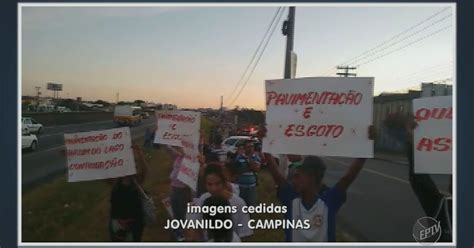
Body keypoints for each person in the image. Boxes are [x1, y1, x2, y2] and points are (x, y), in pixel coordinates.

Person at [262, 126, 374, 242]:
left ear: (312, 178)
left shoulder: (329, 201)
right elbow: (276, 175)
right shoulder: (291, 200)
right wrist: (265, 142)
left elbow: (348, 178)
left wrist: (366, 145)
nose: (294, 181)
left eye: (298, 176)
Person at [404, 117, 452, 242]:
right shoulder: (443, 207)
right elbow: (418, 177)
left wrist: (411, 143)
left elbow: (418, 178)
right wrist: (412, 142)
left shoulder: (442, 207)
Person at [185, 163, 253, 241]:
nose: (213, 188)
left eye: (217, 184)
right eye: (209, 184)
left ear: (224, 182)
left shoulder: (239, 203)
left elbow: (245, 235)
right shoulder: (203, 199)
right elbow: (194, 227)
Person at [109, 144, 149, 242]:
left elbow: (144, 170)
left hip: (134, 223)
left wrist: (139, 153)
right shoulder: (115, 182)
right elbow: (98, 171)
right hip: (117, 222)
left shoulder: (136, 182)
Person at [166, 145, 192, 241]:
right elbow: (169, 149)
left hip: (183, 191)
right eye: (179, 148)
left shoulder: (189, 160)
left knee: (182, 214)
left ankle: (184, 236)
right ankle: (178, 234)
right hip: (174, 189)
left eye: (182, 147)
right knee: (176, 213)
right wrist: (162, 137)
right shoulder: (178, 157)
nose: (180, 149)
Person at [234, 140, 261, 206]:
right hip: (240, 186)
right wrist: (249, 168)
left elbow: (256, 169)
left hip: (251, 187)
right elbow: (236, 170)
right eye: (248, 146)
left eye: (252, 146)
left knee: (251, 206)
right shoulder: (239, 157)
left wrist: (249, 158)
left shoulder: (256, 157)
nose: (250, 148)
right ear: (245, 148)